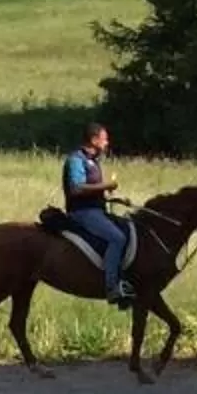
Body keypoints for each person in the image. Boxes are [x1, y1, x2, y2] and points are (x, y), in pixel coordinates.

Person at [63, 122, 132, 303]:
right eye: (104, 139)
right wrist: (106, 185)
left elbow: (93, 192)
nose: (107, 143)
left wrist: (114, 199)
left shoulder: (94, 161)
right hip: (82, 212)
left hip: (94, 209)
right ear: (94, 140)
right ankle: (112, 286)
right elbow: (76, 189)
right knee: (117, 238)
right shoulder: (76, 160)